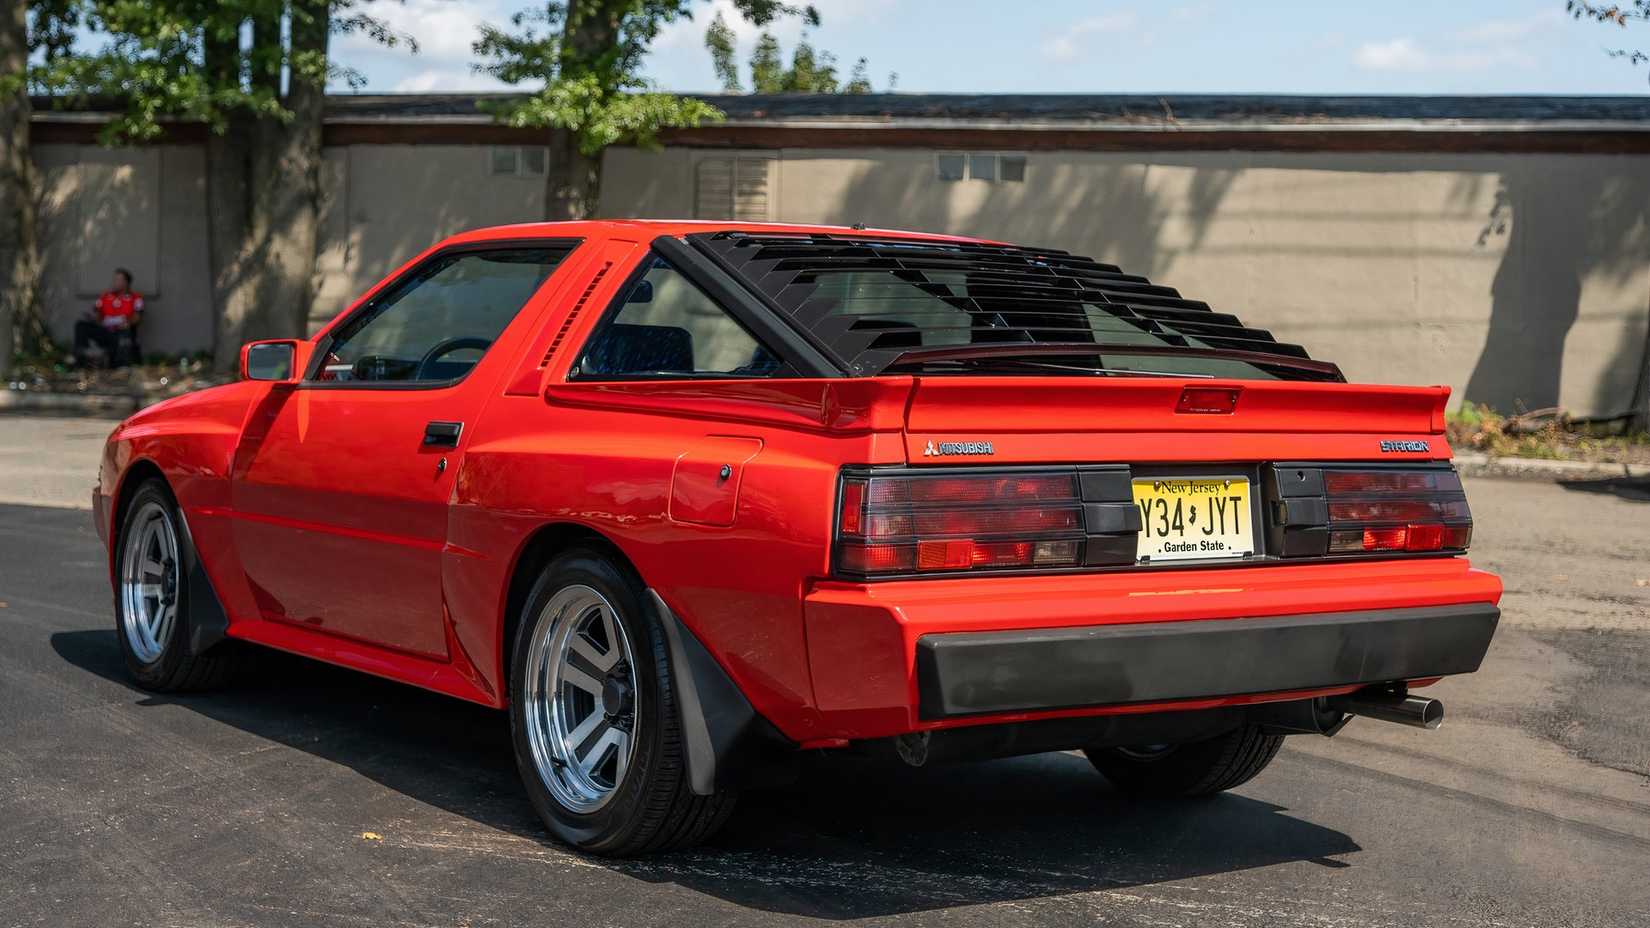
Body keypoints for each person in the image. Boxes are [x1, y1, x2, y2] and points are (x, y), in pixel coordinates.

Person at [71, 268, 144, 368]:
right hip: (106, 332)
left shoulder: (135, 298)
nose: (115, 282)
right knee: (81, 325)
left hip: (121, 334)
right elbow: (97, 315)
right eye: (115, 280)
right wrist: (93, 318)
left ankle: (121, 364)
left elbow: (137, 317)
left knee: (125, 333)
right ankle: (82, 359)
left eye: (119, 280)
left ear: (126, 282)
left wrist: (128, 323)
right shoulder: (105, 296)